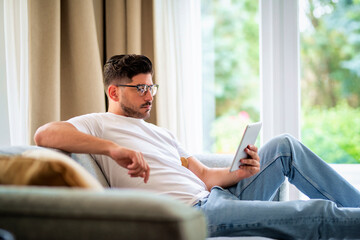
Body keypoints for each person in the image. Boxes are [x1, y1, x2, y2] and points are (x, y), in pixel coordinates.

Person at [34, 54, 360, 239]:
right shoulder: (99, 124)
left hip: (214, 198)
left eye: (152, 87)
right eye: (140, 88)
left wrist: (239, 172)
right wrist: (113, 150)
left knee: (285, 146)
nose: (149, 95)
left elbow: (204, 175)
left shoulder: (161, 134)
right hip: (195, 214)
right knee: (314, 214)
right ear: (114, 92)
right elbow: (45, 135)